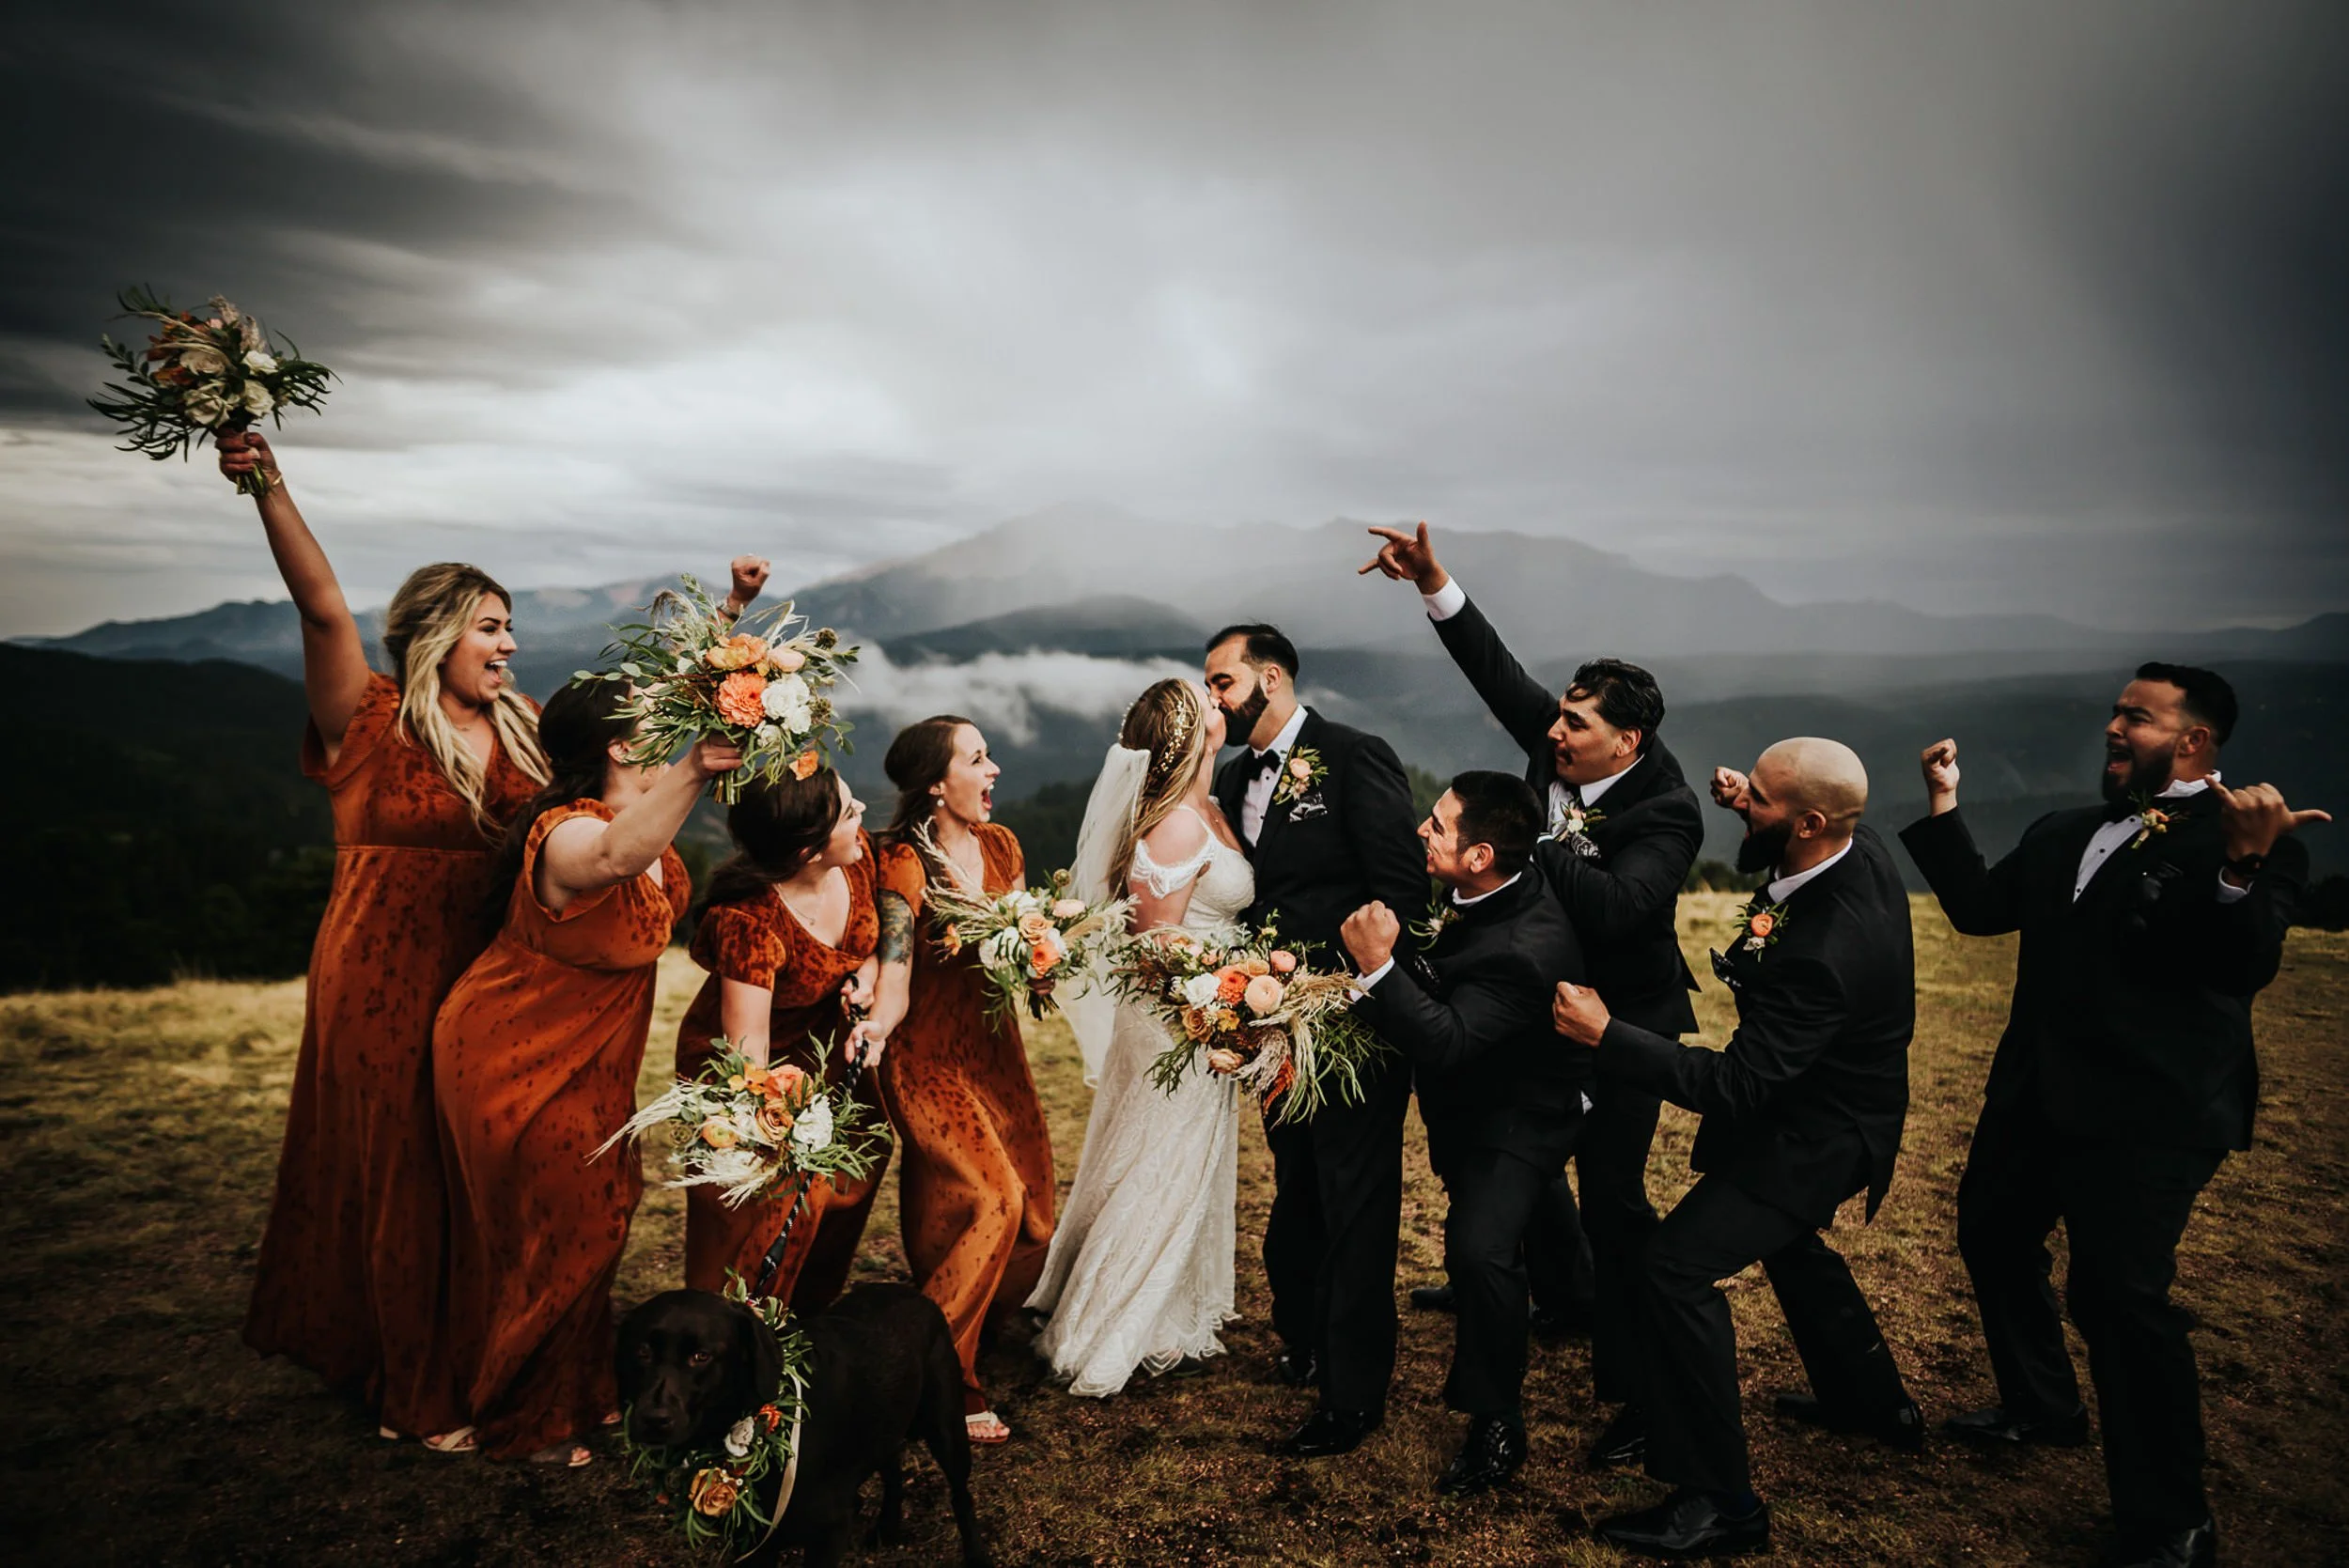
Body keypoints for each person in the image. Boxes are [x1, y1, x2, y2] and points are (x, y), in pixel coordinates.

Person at [1900, 664, 2323, 1568]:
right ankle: (2043, 1405)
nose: (2113, 726)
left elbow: (2242, 966)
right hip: (2036, 1097)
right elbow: (1977, 911)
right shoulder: (2065, 831)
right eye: (2116, 712)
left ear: (2194, 739)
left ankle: (2174, 1520)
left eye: (2137, 715)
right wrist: (1945, 803)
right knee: (1990, 1232)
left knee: (2120, 1299)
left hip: (2153, 1111)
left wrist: (2246, 863)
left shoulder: (2252, 839)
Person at [223, 427, 553, 1448]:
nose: (506, 645)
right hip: (377, 976)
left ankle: (480, 1350)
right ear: (435, 635)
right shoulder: (366, 719)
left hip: (487, 978)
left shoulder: (524, 726)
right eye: (488, 628)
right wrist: (268, 482)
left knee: (478, 1168)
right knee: (403, 1169)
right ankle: (411, 1394)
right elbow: (321, 606)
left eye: (510, 629)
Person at [1361, 520, 1703, 1466]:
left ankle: (1635, 1389)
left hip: (1619, 1025)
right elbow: (1495, 670)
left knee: (1614, 1205)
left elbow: (1628, 910)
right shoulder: (1557, 750)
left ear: (1624, 741)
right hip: (1518, 1001)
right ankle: (1539, 1289)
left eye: (1575, 726)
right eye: (1556, 716)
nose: (1551, 733)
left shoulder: (1666, 808)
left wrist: (1534, 841)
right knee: (1508, 1159)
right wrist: (1433, 582)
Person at [1554, 737, 1921, 1559]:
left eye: (1756, 797)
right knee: (1789, 1246)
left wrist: (1609, 1034)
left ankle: (1720, 1500)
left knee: (1673, 1269)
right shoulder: (1853, 850)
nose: (1739, 800)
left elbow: (1737, 1087)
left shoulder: (1828, 950)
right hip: (1812, 1103)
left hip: (1817, 1133)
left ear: (1810, 822)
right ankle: (1869, 1400)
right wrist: (1752, 805)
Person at [433, 679, 739, 1465]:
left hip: (596, 1059)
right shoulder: (566, 831)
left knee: (601, 1217)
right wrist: (697, 767)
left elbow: (640, 835)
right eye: (652, 725)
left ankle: (579, 1387)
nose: (665, 735)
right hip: (517, 1052)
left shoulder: (636, 814)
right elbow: (613, 858)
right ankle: (522, 1419)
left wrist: (734, 643)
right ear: (619, 744)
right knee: (559, 1230)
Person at [1203, 625, 1426, 1456]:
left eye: (1222, 682)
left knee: (1359, 1209)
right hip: (1271, 1025)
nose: (1214, 699)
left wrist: (1362, 997)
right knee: (1297, 1188)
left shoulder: (1355, 754)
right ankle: (1303, 1335)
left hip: (1354, 1028)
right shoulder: (1231, 776)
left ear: (1272, 677)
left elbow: (1400, 893)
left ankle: (1354, 1394)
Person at [1338, 772, 1584, 1495]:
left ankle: (1496, 1418)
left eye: (1438, 825)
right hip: (1478, 1098)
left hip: (1522, 1112)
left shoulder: (1525, 947)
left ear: (1480, 857)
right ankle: (1580, 1297)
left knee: (1479, 1249)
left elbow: (1447, 1041)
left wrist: (1377, 966)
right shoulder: (1486, 889)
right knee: (1536, 1207)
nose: (1422, 828)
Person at [1027, 679, 1250, 1394]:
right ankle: (1110, 1322)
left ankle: (1169, 1309)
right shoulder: (1177, 825)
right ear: (1189, 734)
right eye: (1207, 700)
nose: (1222, 703)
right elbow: (1158, 947)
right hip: (1173, 1022)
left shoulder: (1204, 808)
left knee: (1180, 1160)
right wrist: (1221, 1000)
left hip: (1201, 1013)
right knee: (1159, 1160)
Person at [872, 716, 1056, 1444]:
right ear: (934, 783)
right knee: (989, 1197)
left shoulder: (1000, 844)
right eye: (977, 759)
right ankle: (938, 1372)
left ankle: (962, 1314)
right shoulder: (902, 862)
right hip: (924, 1055)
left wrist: (1043, 961)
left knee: (1035, 1210)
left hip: (994, 1048)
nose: (995, 770)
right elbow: (894, 959)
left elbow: (1023, 934)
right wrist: (878, 1026)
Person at [673, 763, 904, 1310]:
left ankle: (805, 1309)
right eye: (849, 812)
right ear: (807, 852)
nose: (863, 814)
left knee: (859, 1156)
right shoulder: (749, 923)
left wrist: (868, 976)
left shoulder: (856, 856)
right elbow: (746, 1053)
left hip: (821, 1046)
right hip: (749, 1072)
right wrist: (782, 1123)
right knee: (765, 1199)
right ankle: (731, 1319)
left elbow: (871, 942)